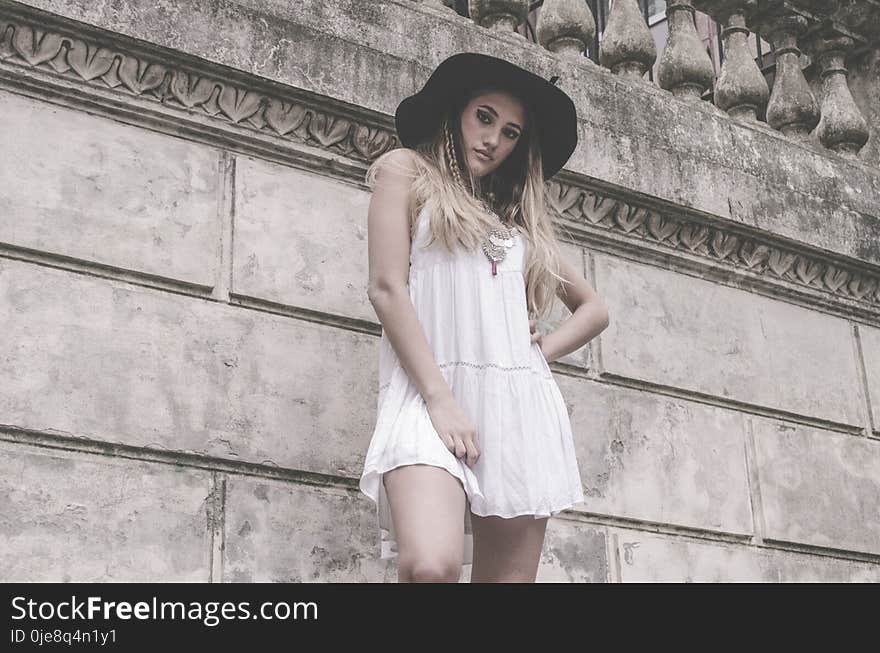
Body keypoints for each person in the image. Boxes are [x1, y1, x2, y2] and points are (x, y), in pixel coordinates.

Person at [358, 52, 611, 583]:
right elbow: (386, 289)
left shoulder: (513, 225)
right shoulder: (405, 172)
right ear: (457, 112)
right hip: (430, 395)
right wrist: (440, 399)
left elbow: (594, 309)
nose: (494, 139)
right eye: (485, 116)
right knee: (430, 565)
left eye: (512, 132)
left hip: (517, 409)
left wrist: (538, 350)